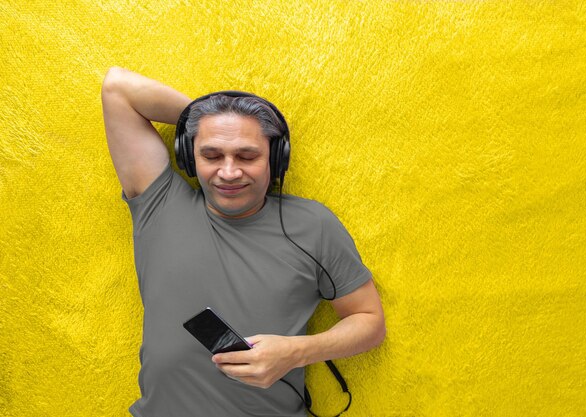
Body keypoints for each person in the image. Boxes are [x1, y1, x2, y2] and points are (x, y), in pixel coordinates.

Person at [101, 66, 386, 417]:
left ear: (276, 157)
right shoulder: (158, 203)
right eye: (211, 155)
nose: (229, 172)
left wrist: (295, 352)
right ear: (190, 157)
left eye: (247, 156)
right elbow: (117, 89)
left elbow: (369, 321)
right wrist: (211, 119)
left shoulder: (313, 225)